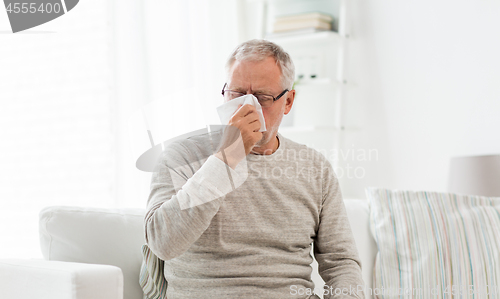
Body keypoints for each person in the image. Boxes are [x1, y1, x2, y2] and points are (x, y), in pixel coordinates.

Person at [144, 39, 365, 299]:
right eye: (237, 94)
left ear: (289, 101)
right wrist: (227, 158)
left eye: (262, 97)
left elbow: (341, 262)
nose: (248, 108)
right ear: (223, 93)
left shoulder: (315, 168)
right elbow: (162, 243)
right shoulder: (181, 156)